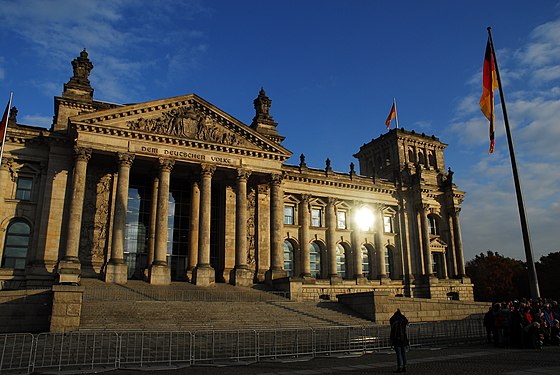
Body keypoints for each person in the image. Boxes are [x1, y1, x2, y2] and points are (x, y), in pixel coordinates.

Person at [390, 309, 409, 373]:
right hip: (403, 339)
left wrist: (391, 340)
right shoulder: (403, 320)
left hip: (397, 340)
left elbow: (392, 332)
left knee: (399, 354)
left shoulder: (394, 321)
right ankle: (404, 367)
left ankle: (400, 367)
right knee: (403, 353)